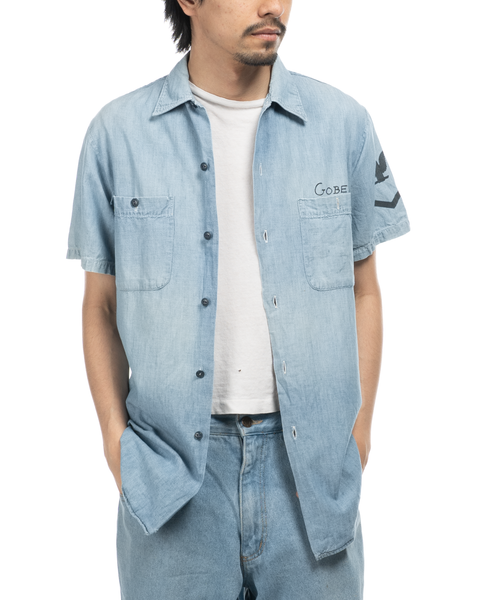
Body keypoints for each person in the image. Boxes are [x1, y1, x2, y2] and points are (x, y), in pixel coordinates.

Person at [66, 0, 411, 597]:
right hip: (171, 474)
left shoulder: (343, 124)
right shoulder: (117, 135)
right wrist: (115, 442)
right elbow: (100, 303)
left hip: (311, 475)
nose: (272, 6)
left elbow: (365, 288)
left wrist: (357, 435)